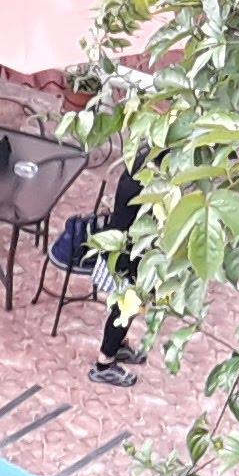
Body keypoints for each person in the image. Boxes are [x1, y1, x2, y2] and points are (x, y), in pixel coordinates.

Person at [89, 165, 144, 385]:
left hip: (117, 248)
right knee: (125, 308)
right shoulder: (146, 189)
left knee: (123, 308)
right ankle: (104, 362)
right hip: (127, 258)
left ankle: (117, 346)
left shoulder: (135, 168)